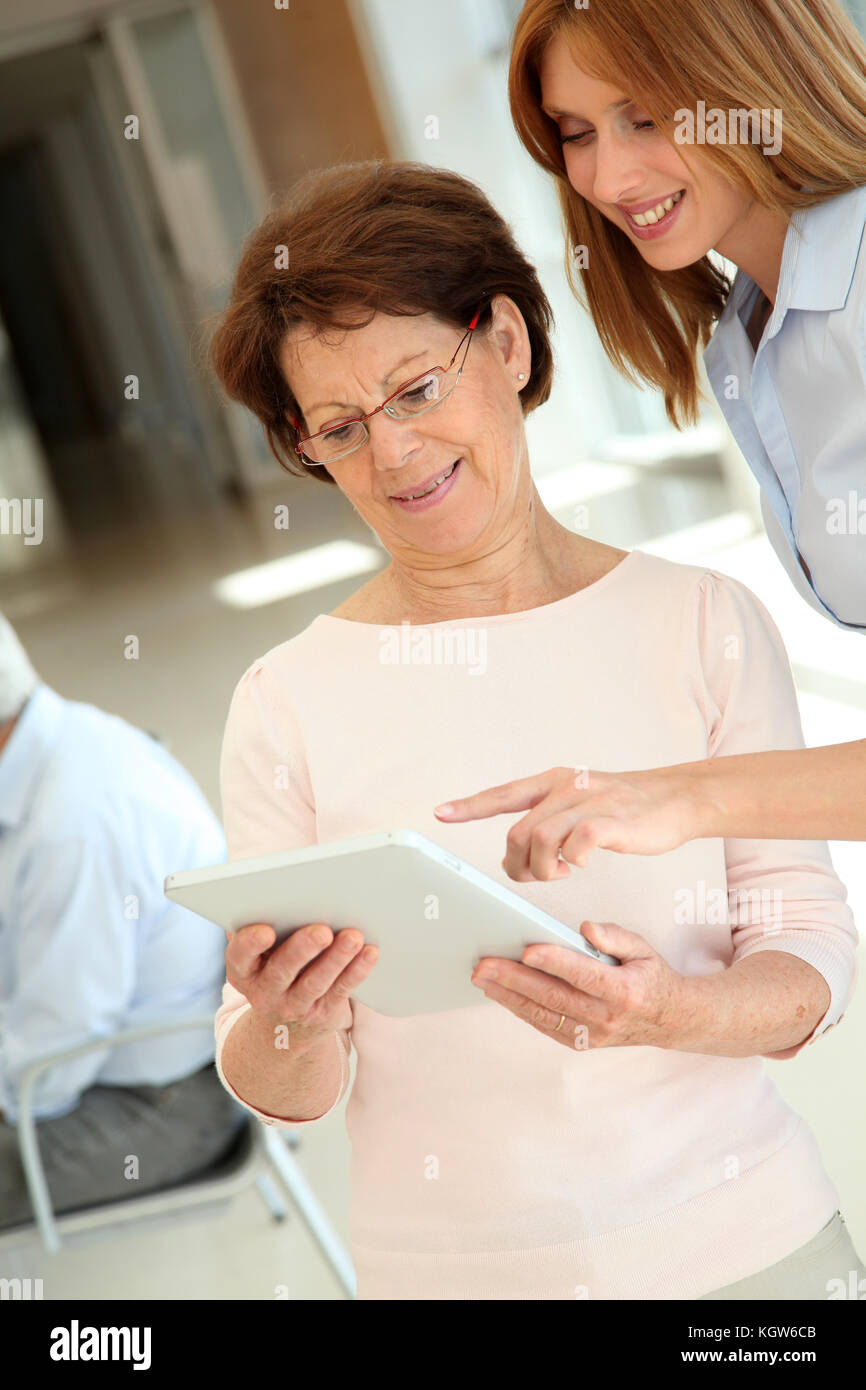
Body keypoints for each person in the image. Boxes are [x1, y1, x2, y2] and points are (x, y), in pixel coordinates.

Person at [208, 159, 863, 1300]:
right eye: (339, 427)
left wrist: (672, 1011)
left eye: (415, 389)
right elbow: (283, 1084)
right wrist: (292, 1023)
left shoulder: (699, 621)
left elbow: (804, 962)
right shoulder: (284, 697)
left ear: (505, 342)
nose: (393, 454)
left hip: (743, 1250)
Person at [467, 0, 866, 868]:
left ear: (756, 80)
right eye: (575, 134)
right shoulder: (754, 332)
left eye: (644, 118)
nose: (608, 179)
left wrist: (688, 797)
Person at [0, 613, 246, 1229]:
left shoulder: (74, 829)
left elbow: (53, 1057)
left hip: (156, 1104)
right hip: (88, 1056)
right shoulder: (64, 737)